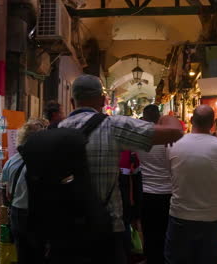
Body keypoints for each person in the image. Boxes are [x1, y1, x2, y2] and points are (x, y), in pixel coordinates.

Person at [58, 74, 183, 264]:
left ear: (71, 101)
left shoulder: (58, 129)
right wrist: (166, 116)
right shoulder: (113, 126)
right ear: (103, 100)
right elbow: (174, 133)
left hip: (69, 225)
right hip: (107, 224)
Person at [164, 105, 217, 264]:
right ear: (212, 124)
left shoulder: (173, 143)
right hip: (210, 216)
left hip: (180, 213)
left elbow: (170, 174)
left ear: (192, 120)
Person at [1, 118, 49, 264]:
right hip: (38, 214)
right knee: (39, 254)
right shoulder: (45, 161)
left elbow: (6, 190)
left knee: (22, 254)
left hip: (16, 213)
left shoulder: (11, 161)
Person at [136, 105, 177, 264]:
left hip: (146, 192)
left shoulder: (140, 138)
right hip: (167, 191)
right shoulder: (167, 138)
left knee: (149, 230)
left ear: (144, 118)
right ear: (159, 117)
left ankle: (151, 258)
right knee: (165, 230)